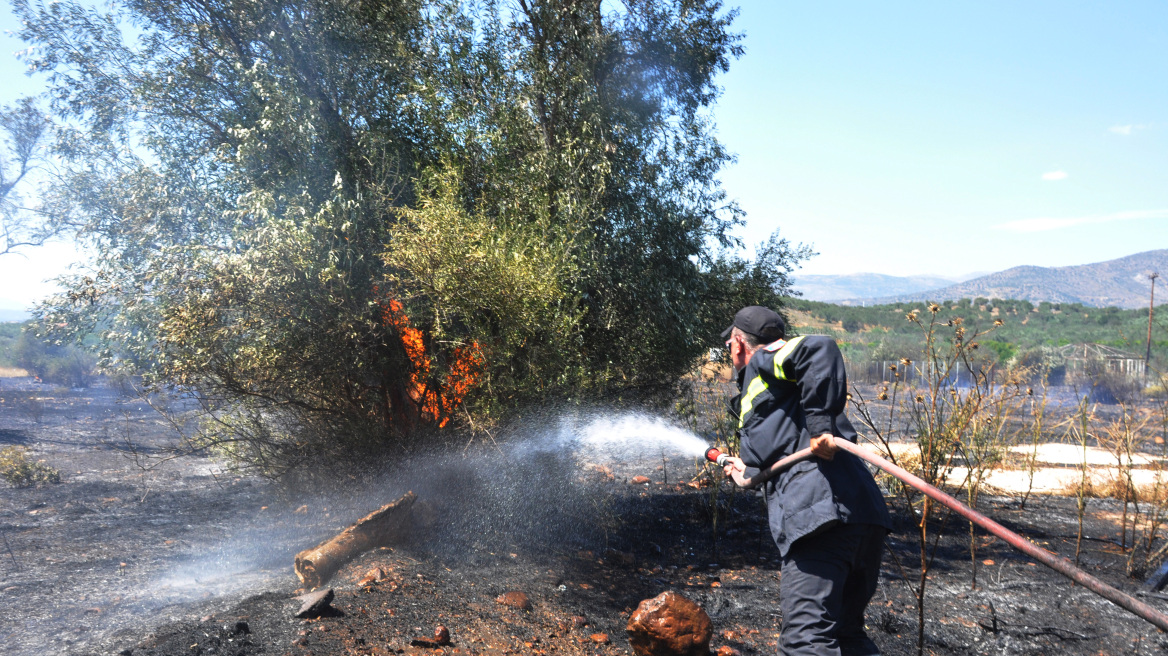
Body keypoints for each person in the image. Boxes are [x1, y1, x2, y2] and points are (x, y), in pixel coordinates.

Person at [718, 306, 892, 656]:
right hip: (859, 514)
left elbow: (820, 347)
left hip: (823, 517)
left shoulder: (764, 360)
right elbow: (784, 445)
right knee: (845, 635)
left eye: (728, 348)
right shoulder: (773, 384)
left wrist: (820, 428)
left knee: (805, 641)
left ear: (738, 343)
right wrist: (747, 469)